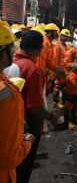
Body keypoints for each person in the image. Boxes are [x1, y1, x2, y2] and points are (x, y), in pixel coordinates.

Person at [5, 30, 58, 183]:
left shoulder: (10, 63)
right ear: (36, 49)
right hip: (28, 127)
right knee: (23, 170)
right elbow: (34, 107)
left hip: (11, 125)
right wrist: (50, 116)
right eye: (40, 48)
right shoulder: (32, 70)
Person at [0, 21, 34, 183]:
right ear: (2, 54)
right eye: (11, 47)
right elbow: (10, 156)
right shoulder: (7, 94)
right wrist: (27, 142)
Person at [36, 23, 65, 94]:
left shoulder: (49, 43)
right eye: (55, 32)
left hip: (46, 75)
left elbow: (49, 61)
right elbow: (42, 62)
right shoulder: (44, 43)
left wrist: (56, 70)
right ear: (50, 32)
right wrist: (50, 71)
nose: (57, 34)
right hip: (41, 75)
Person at [52, 29, 71, 108]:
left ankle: (63, 102)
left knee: (64, 87)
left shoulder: (66, 46)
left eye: (67, 37)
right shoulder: (57, 45)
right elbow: (56, 60)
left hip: (65, 70)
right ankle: (55, 102)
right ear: (61, 36)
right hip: (59, 70)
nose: (66, 38)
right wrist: (56, 71)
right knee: (57, 86)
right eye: (64, 36)